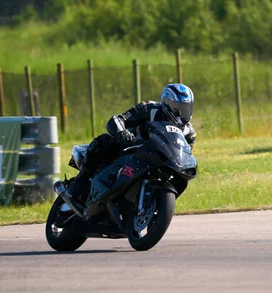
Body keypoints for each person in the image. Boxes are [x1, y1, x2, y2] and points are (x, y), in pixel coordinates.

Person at [66, 83, 197, 205]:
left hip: (158, 162)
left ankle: (153, 204)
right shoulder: (149, 109)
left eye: (186, 108)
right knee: (104, 141)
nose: (183, 113)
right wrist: (122, 132)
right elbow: (118, 119)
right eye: (179, 108)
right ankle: (79, 185)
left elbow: (184, 154)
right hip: (130, 150)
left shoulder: (189, 133)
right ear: (168, 104)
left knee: (180, 178)